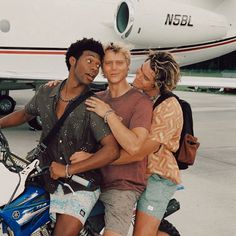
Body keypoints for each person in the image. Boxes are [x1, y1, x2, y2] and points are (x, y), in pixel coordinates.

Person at [0, 38, 119, 236]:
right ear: (73, 60)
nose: (94, 68)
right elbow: (25, 113)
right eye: (90, 61)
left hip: (78, 184)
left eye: (98, 65)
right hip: (41, 173)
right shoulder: (47, 92)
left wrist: (68, 169)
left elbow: (112, 150)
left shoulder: (92, 105)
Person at [70, 42, 153, 236]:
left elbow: (134, 145)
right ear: (102, 69)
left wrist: (108, 114)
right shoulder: (96, 98)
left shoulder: (141, 102)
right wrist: (56, 88)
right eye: (108, 63)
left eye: (119, 63)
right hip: (91, 180)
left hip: (122, 185)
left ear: (127, 66)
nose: (114, 68)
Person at [111, 51, 183, 236]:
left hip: (157, 175)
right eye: (140, 70)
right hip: (132, 170)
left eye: (145, 76)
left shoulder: (169, 107)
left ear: (157, 84)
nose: (138, 75)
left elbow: (139, 152)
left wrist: (101, 160)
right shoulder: (137, 93)